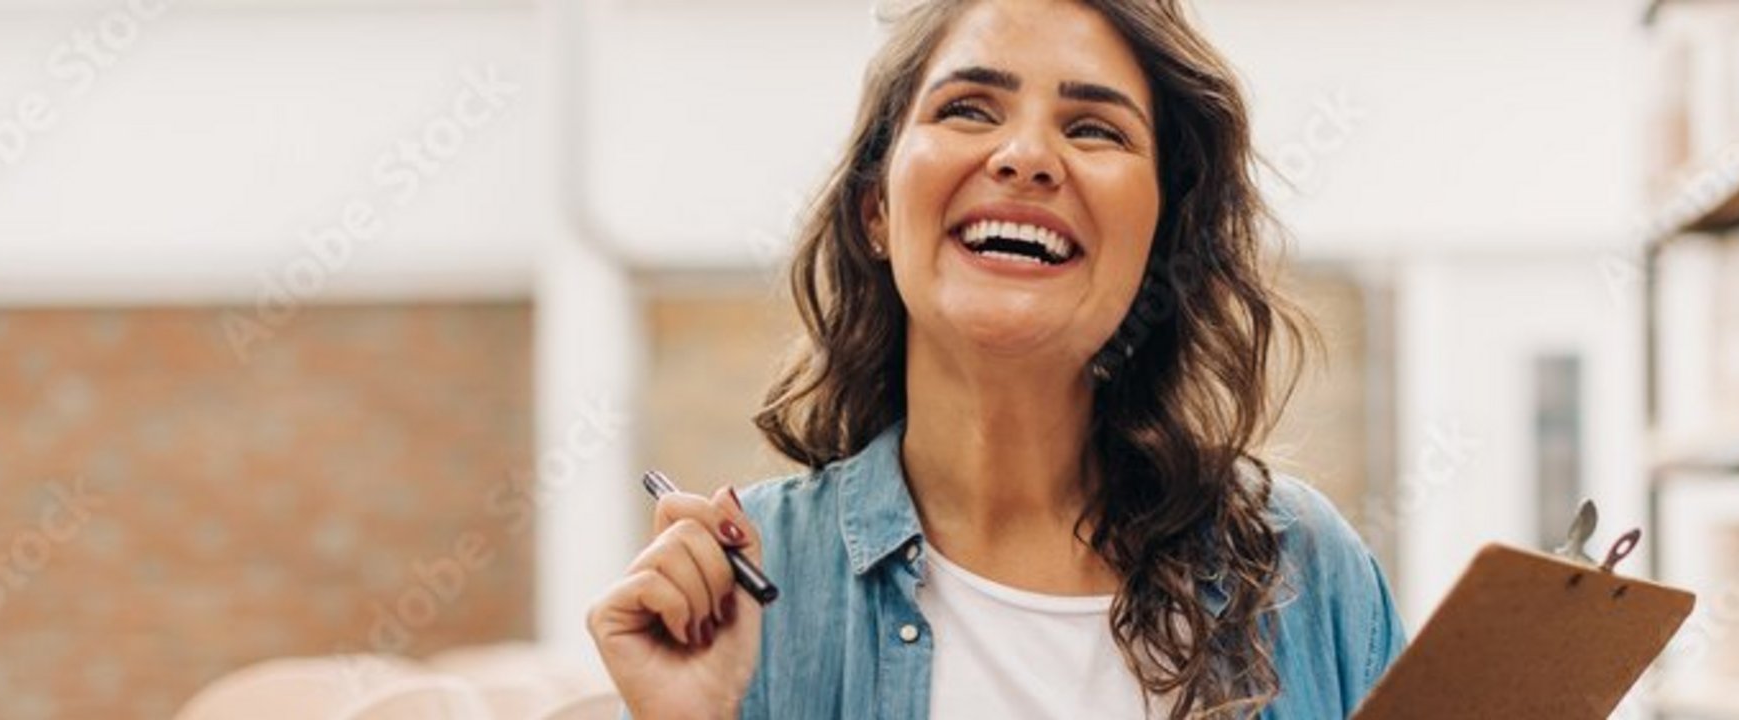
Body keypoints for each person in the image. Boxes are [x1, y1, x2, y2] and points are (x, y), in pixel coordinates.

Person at [586, 0, 1404, 717]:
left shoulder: (1304, 567)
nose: (1025, 156)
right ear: (876, 208)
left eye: (1093, 128)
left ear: (1160, 237)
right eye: (969, 110)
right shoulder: (750, 591)